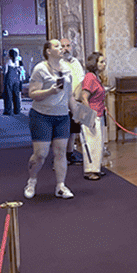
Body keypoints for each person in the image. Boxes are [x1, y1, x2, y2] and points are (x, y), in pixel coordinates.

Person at [23, 39, 76, 200]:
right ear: (48, 51)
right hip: (42, 116)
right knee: (40, 154)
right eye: (57, 46)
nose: (61, 48)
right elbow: (32, 93)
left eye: (62, 46)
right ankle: (32, 180)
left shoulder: (67, 69)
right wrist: (50, 91)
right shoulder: (40, 69)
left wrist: (77, 114)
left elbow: (70, 95)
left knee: (61, 153)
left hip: (62, 116)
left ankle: (60, 186)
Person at [79, 52, 109, 180]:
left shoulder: (96, 77)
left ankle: (95, 168)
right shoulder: (90, 77)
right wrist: (89, 117)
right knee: (91, 143)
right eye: (101, 62)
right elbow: (84, 97)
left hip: (99, 112)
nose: (104, 64)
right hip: (91, 114)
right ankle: (89, 170)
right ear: (94, 63)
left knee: (98, 143)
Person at [61, 38, 85, 165]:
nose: (66, 48)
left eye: (68, 46)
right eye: (63, 46)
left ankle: (70, 154)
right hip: (63, 102)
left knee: (73, 131)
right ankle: (60, 157)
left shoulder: (76, 62)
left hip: (77, 101)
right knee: (63, 132)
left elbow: (81, 80)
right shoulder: (58, 63)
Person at [2, 47, 22, 116]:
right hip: (16, 80)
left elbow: (5, 72)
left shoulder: (8, 62)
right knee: (16, 95)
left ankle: (8, 110)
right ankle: (17, 110)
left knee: (8, 95)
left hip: (9, 79)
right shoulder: (17, 62)